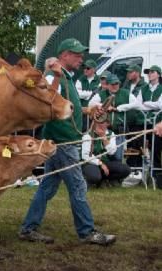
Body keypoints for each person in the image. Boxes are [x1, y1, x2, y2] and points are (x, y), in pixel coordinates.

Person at [18, 38, 116, 246]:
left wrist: (89, 110)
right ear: (64, 55)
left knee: (47, 188)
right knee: (78, 187)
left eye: (81, 55)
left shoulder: (67, 78)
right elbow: (48, 103)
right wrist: (56, 76)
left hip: (61, 141)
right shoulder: (55, 76)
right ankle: (87, 232)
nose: (82, 59)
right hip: (63, 142)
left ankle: (28, 228)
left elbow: (69, 106)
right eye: (77, 55)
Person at [88, 73, 138, 161]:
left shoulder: (125, 93)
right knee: (102, 153)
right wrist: (104, 106)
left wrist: (118, 108)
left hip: (119, 129)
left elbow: (136, 104)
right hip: (104, 129)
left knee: (118, 157)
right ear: (107, 85)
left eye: (116, 84)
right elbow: (91, 103)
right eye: (112, 84)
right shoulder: (102, 93)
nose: (115, 86)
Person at [81, 120, 131, 187]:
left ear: (107, 124)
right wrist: (100, 163)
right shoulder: (88, 135)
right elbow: (85, 156)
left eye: (103, 122)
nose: (100, 125)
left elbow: (111, 152)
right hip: (90, 162)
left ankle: (103, 180)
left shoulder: (111, 134)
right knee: (94, 176)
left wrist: (104, 137)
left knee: (126, 170)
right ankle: (90, 179)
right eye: (98, 122)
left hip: (105, 162)